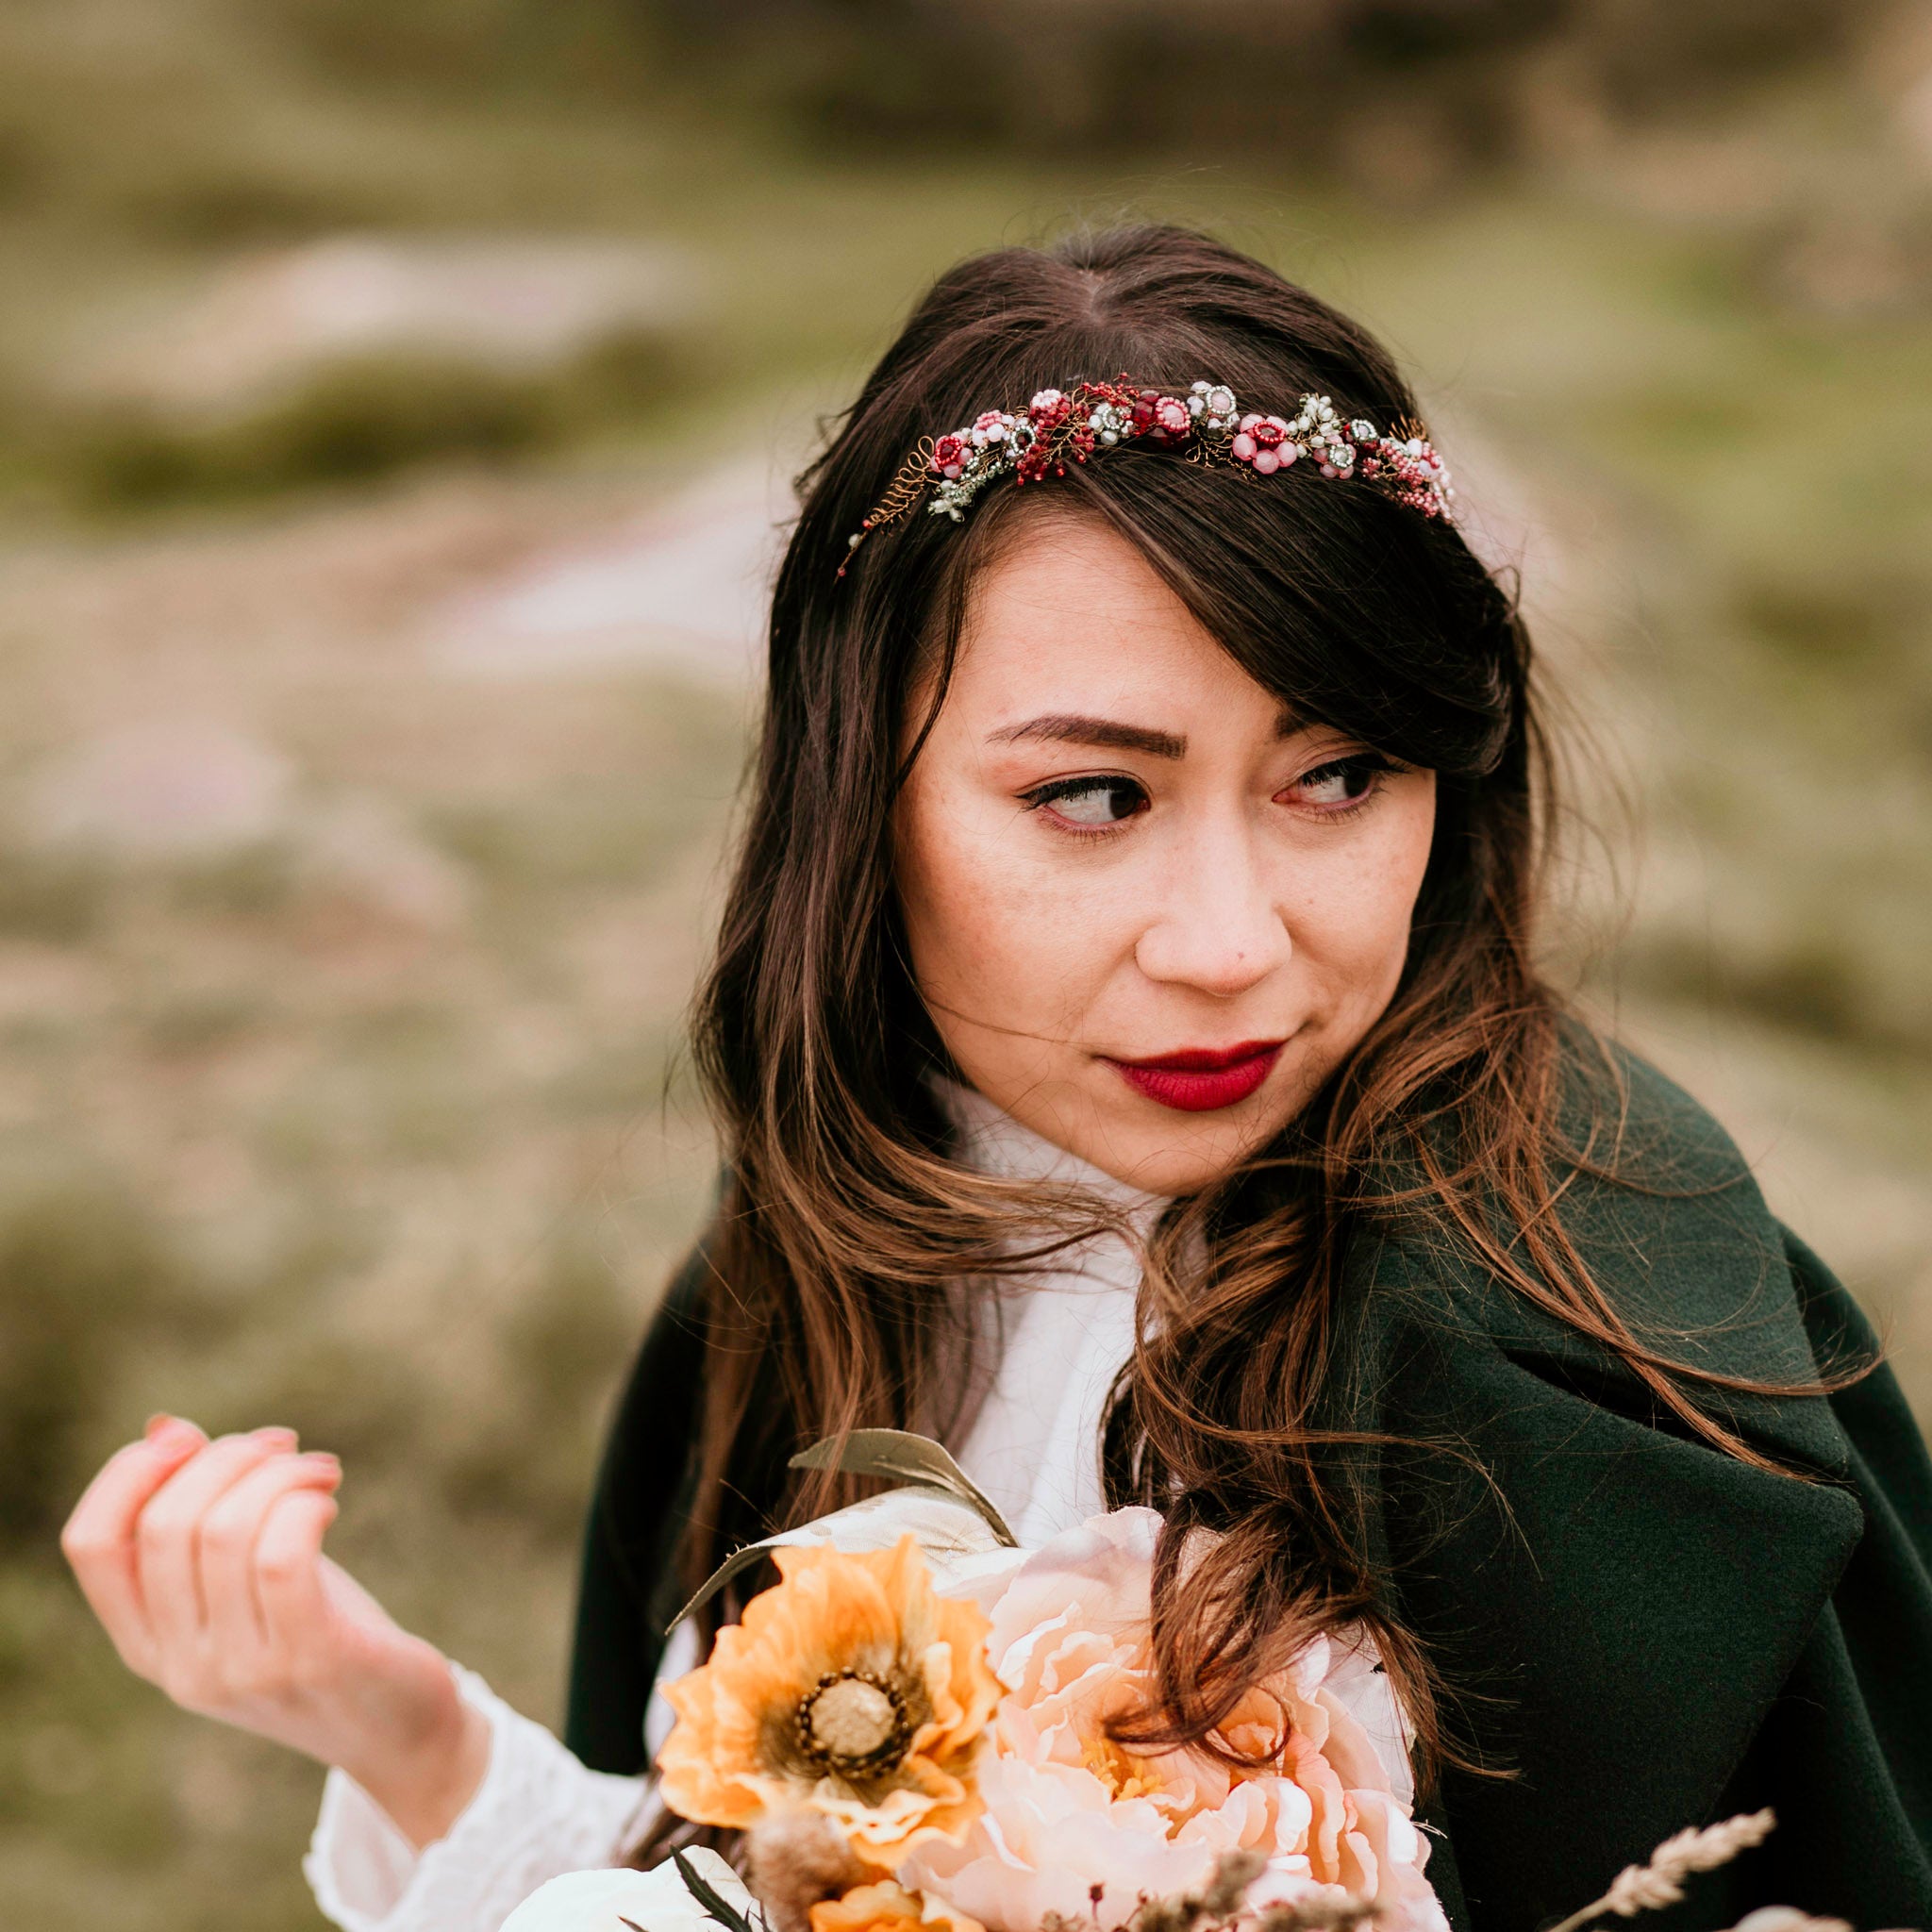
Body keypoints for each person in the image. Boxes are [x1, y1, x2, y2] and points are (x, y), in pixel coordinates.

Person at [60, 226, 1932, 1932]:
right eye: (1096, 795)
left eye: (1341, 775)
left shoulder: (1559, 1361)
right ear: (858, 794)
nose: (1229, 942)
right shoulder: (844, 1230)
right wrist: (398, 1732)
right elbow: (735, 1883)